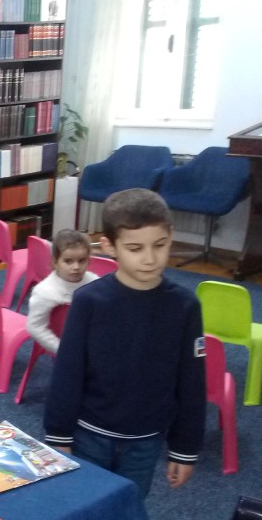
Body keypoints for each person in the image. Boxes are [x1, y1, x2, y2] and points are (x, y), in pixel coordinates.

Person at [44, 188, 206, 497]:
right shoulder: (89, 301)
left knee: (128, 505)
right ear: (109, 246)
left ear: (171, 236)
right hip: (89, 434)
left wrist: (185, 448)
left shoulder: (185, 306)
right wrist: (58, 434)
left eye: (159, 245)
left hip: (146, 440)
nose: (150, 258)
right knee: (81, 502)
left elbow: (191, 381)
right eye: (135, 248)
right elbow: (68, 371)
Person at [26, 229, 99, 354]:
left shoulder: (94, 281)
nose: (76, 267)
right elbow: (34, 326)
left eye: (82, 260)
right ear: (55, 262)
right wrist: (63, 350)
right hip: (66, 346)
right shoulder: (45, 292)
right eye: (68, 261)